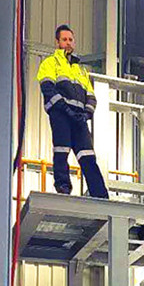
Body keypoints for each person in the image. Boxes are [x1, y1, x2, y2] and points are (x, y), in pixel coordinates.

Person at [37, 24, 109, 199]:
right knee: (62, 150)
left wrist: (86, 113)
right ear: (57, 42)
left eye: (70, 39)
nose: (68, 43)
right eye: (64, 40)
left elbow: (91, 96)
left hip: (79, 118)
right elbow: (48, 89)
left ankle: (99, 194)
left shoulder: (80, 70)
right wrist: (65, 109)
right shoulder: (50, 63)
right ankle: (63, 187)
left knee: (88, 155)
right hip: (61, 114)